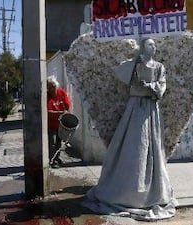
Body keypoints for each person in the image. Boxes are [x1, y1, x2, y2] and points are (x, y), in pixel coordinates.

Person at [82, 38, 178, 221]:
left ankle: (152, 190)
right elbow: (121, 73)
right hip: (135, 109)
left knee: (152, 149)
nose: (154, 46)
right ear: (142, 47)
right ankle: (127, 189)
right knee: (134, 146)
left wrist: (149, 86)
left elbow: (162, 86)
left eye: (154, 44)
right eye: (150, 44)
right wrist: (135, 62)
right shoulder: (134, 64)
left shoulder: (159, 66)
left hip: (150, 109)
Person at [47, 76, 72, 168]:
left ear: (56, 86)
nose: (51, 89)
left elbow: (68, 105)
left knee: (59, 142)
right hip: (51, 124)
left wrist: (66, 112)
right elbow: (48, 113)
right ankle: (52, 160)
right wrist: (61, 113)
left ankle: (57, 158)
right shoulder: (46, 96)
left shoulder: (61, 92)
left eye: (53, 86)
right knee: (52, 143)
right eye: (49, 87)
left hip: (61, 124)